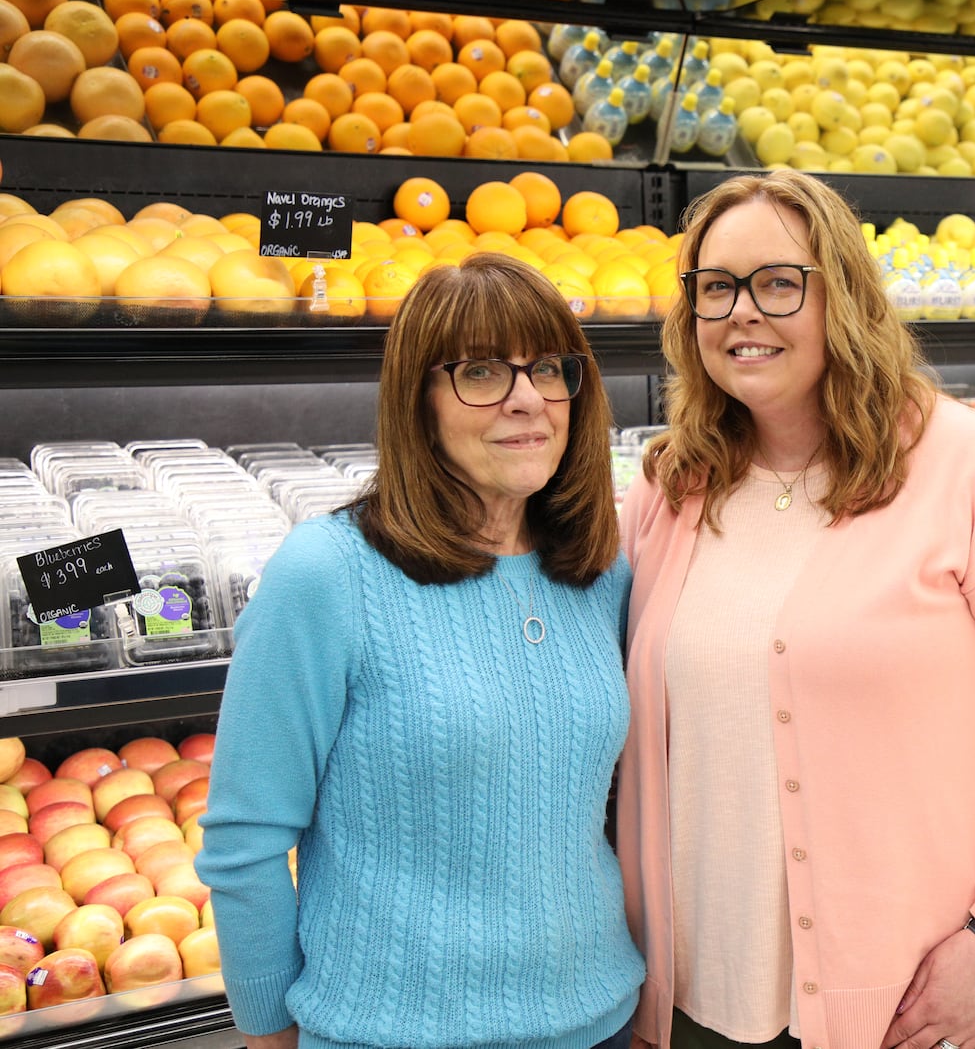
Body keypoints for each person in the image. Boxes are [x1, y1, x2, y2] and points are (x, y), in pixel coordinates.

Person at [617, 171, 975, 1049]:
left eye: (779, 282)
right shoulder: (669, 486)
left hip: (911, 1010)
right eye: (715, 287)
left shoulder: (966, 466)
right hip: (695, 1000)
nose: (743, 311)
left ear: (841, 295)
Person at [197, 254, 644, 1049]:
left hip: (598, 1018)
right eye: (480, 371)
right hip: (391, 1032)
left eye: (549, 368)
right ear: (419, 402)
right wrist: (267, 1033)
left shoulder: (601, 570)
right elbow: (245, 840)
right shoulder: (328, 574)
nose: (526, 399)